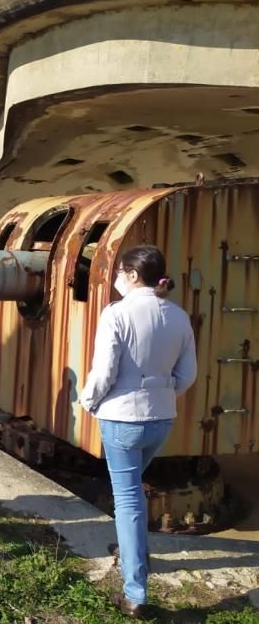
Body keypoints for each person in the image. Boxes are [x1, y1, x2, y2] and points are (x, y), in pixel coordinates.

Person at [79, 245, 197, 619]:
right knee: (132, 492)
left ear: (132, 275)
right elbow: (187, 375)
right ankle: (134, 550)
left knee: (128, 500)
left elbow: (104, 371)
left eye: (119, 272)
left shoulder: (116, 313)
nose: (116, 278)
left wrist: (88, 401)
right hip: (161, 418)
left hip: (121, 419)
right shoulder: (178, 316)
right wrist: (162, 393)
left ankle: (135, 593)